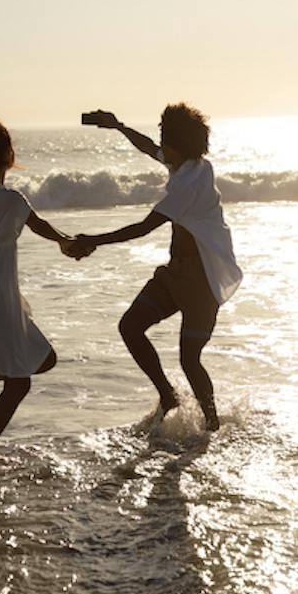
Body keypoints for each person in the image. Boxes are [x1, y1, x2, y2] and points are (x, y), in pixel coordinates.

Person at [67, 105, 241, 431]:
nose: (162, 145)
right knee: (130, 326)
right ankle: (168, 395)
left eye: (166, 139)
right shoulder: (187, 164)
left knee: (190, 359)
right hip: (177, 273)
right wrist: (118, 125)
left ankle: (212, 427)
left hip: (202, 281)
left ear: (179, 144)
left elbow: (145, 227)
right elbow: (151, 148)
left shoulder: (189, 182)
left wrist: (93, 240)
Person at [0, 115, 85, 479]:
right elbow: (41, 226)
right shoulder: (11, 199)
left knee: (43, 359)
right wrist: (70, 244)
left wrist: (64, 241)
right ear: (8, 153)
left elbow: (36, 226)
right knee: (19, 381)